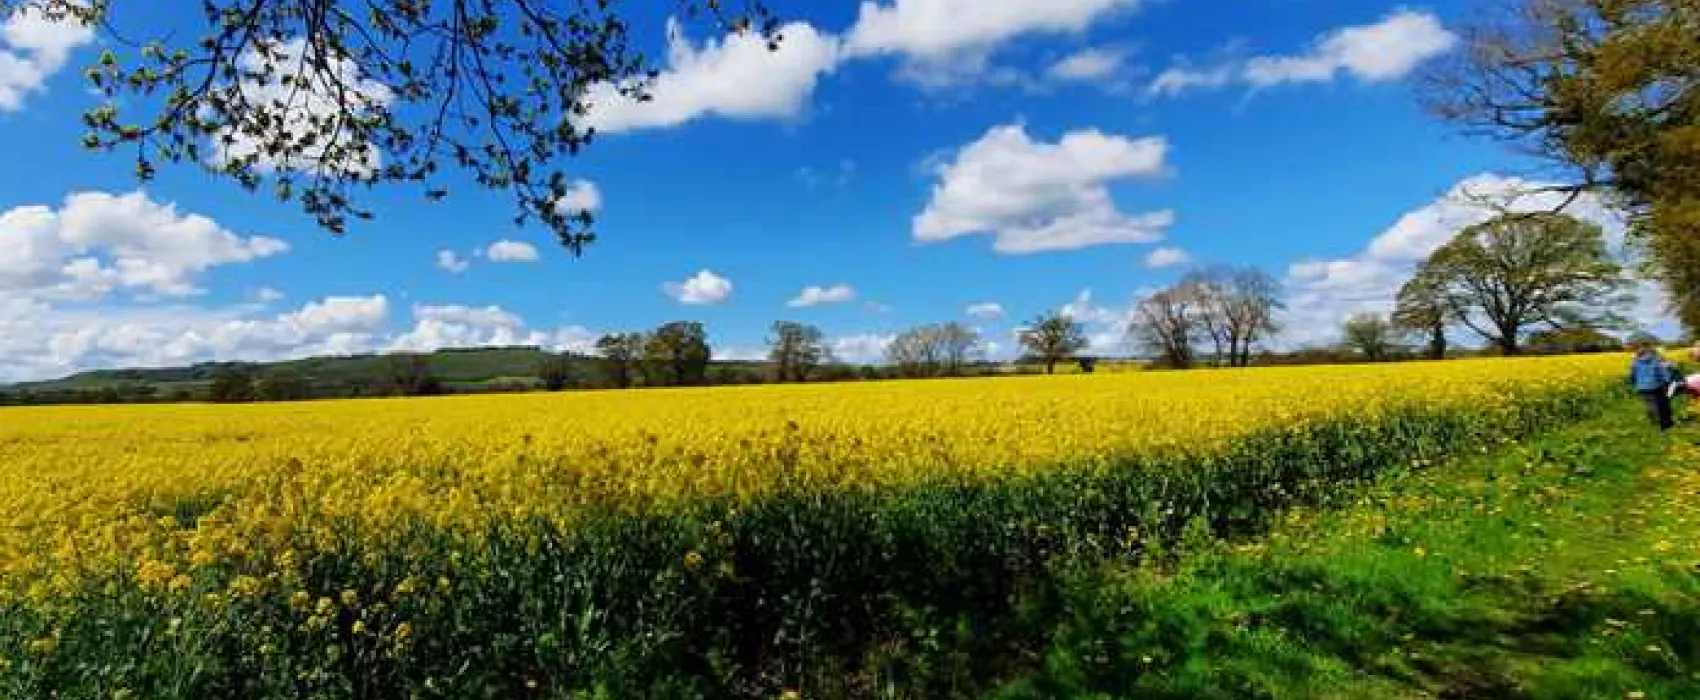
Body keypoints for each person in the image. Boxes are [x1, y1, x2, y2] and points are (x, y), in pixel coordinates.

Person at [1629, 340, 1679, 431]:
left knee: (1650, 404)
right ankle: (1664, 424)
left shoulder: (1634, 362)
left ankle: (1654, 422)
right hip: (1656, 385)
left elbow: (1632, 375)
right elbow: (1663, 372)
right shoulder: (1655, 360)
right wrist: (1667, 381)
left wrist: (1634, 383)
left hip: (1642, 387)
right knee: (1662, 404)